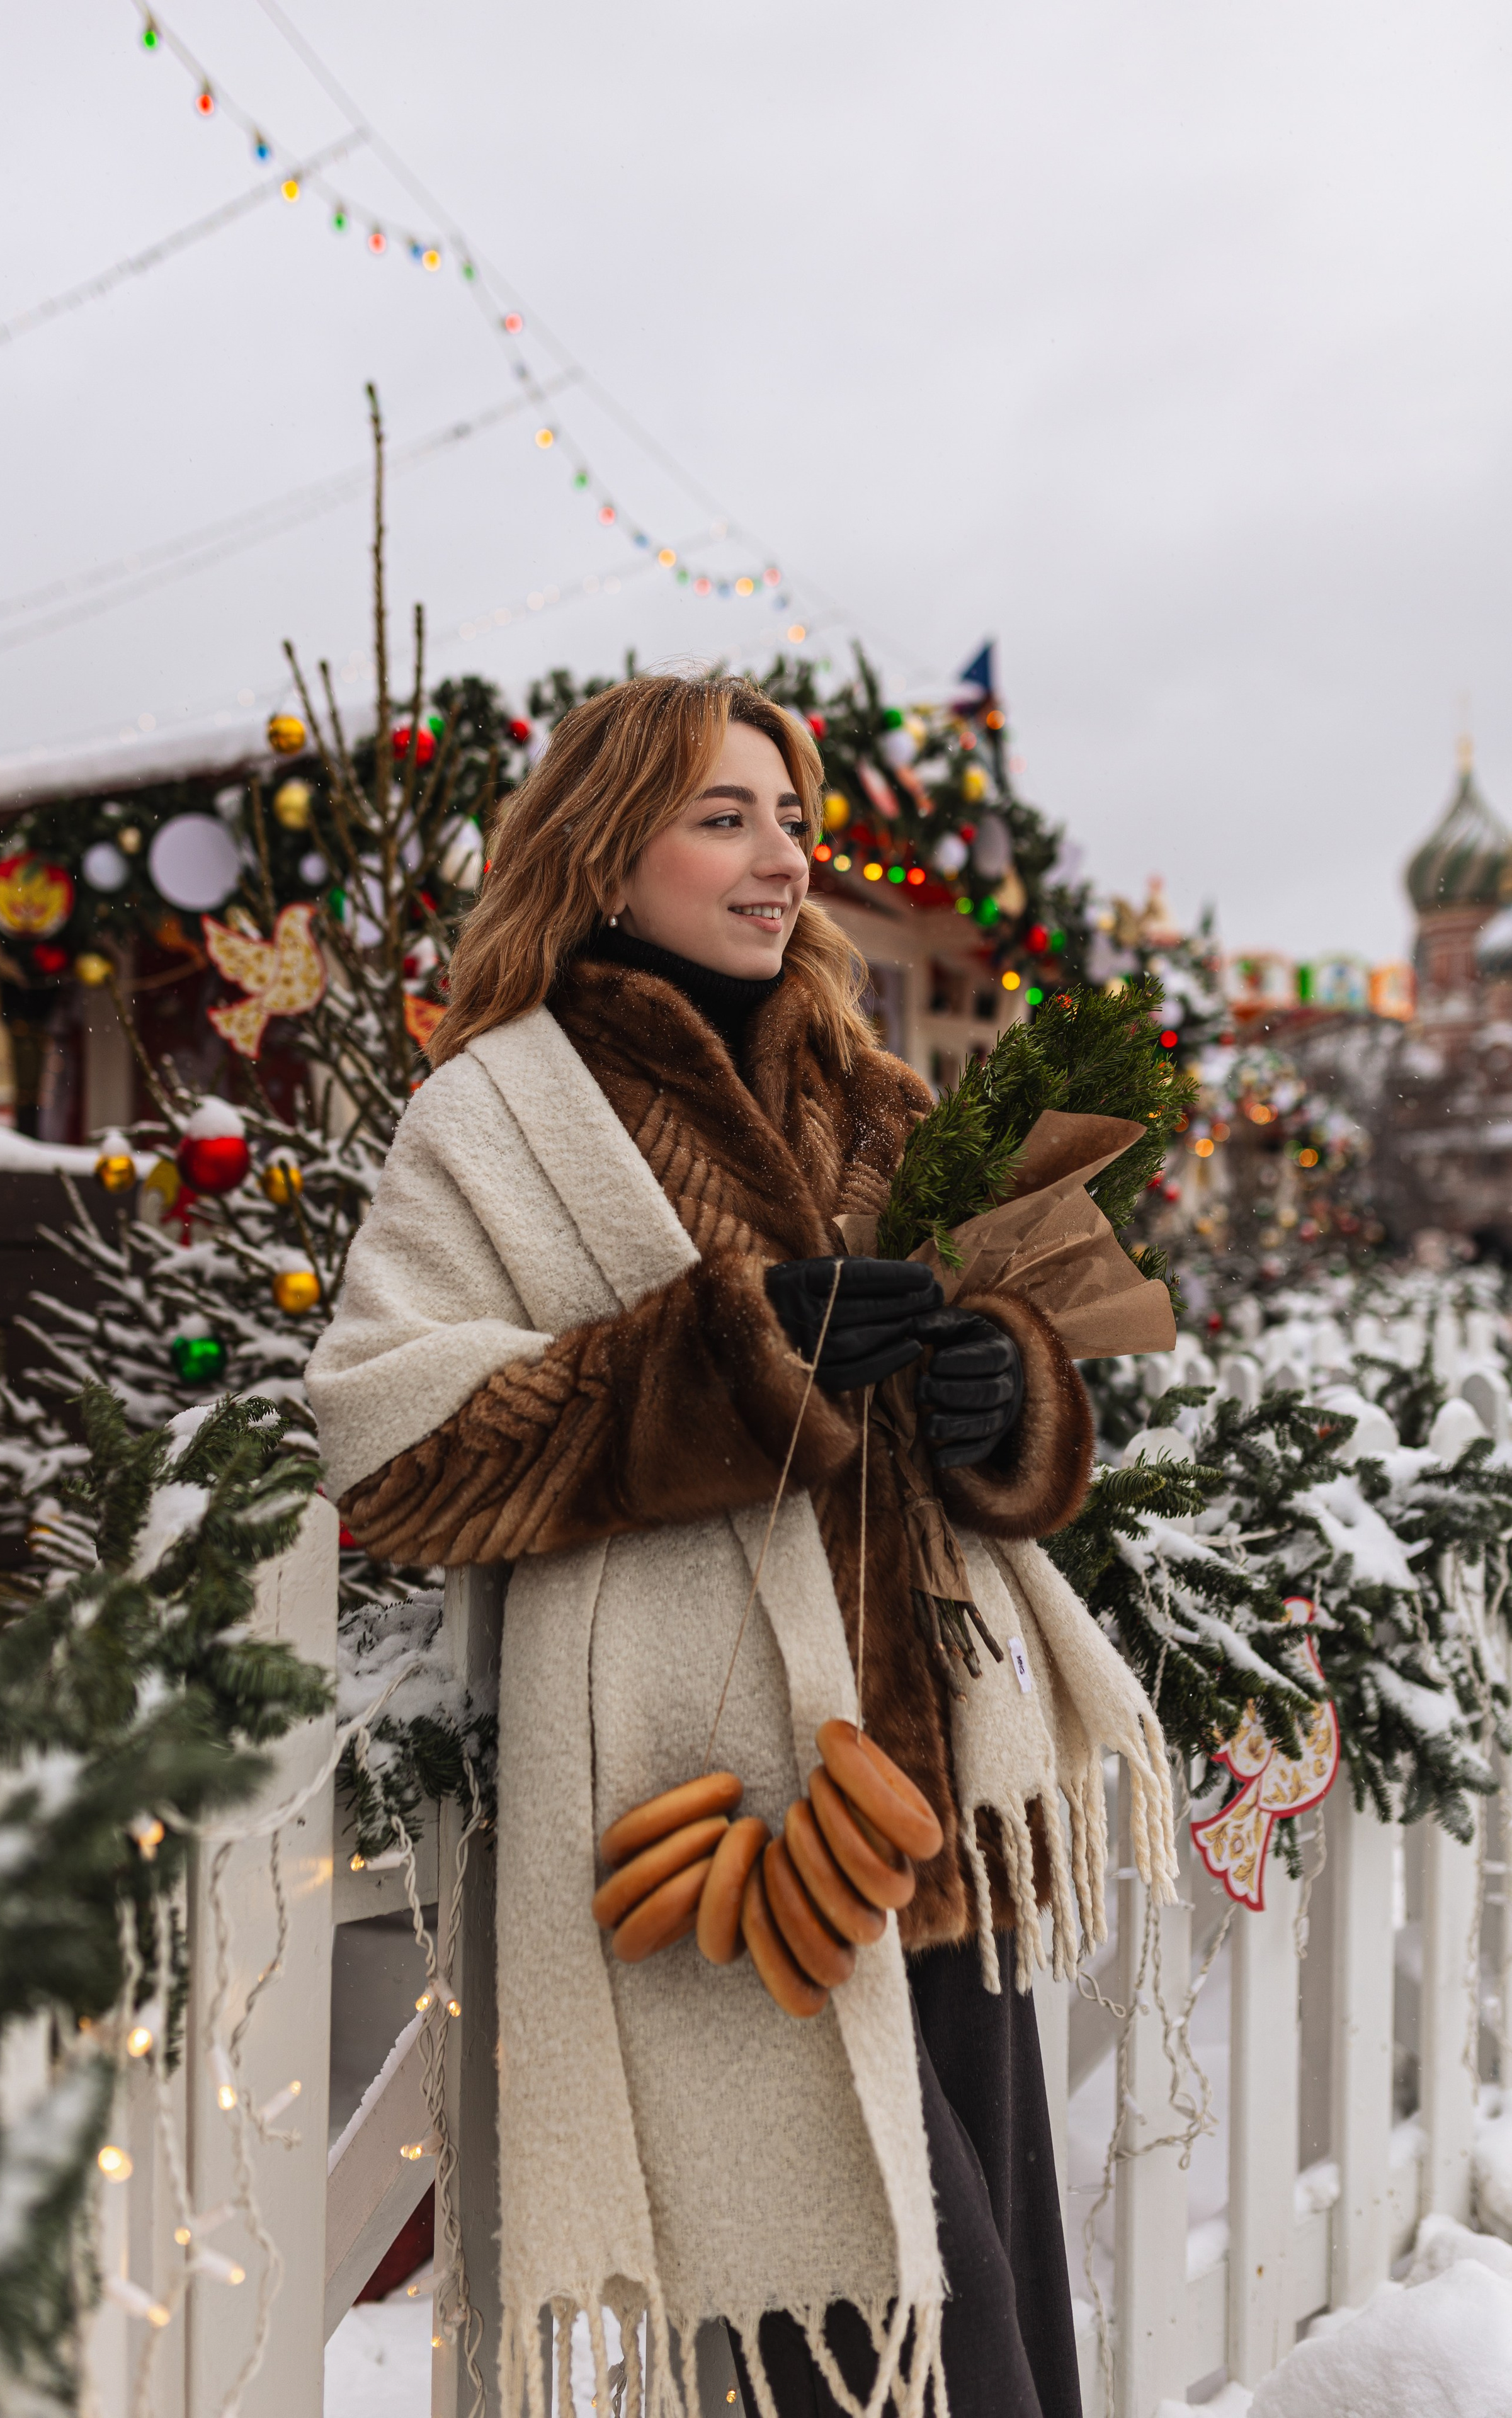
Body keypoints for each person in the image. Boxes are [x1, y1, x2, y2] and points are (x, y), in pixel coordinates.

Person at [307, 674, 1168, 2418]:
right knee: (882, 2360)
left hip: (931, 1809)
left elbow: (1018, 1384)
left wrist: (1013, 1400)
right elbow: (392, 1450)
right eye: (726, 819)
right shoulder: (495, 1116)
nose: (783, 859)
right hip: (721, 1831)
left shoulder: (868, 1104)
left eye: (790, 818)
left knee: (991, 2325)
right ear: (606, 858)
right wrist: (721, 1356)